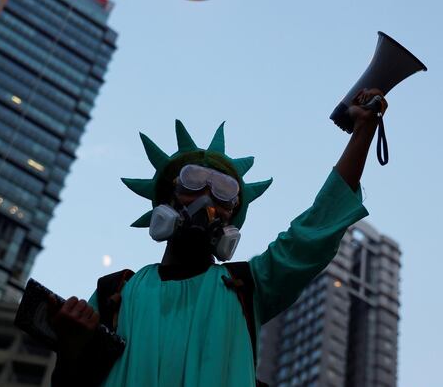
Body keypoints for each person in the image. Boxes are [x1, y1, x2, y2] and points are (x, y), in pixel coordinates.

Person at [51, 89, 388, 387]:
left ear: (232, 216)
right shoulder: (115, 292)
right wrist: (69, 347)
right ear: (165, 201)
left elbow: (315, 229)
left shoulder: (248, 286)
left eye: (225, 193)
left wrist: (362, 132)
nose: (208, 200)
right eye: (193, 183)